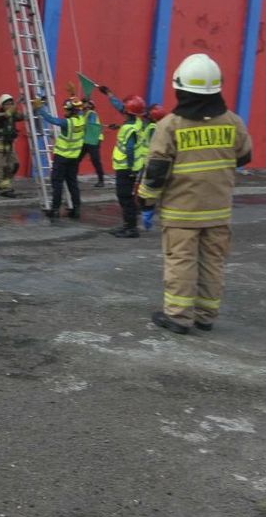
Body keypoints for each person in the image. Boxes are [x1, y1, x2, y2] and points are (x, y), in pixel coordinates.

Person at [136, 53, 252, 334]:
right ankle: (206, 315)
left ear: (180, 89)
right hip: (219, 210)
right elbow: (244, 156)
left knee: (181, 262)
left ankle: (178, 316)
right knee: (213, 262)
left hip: (182, 211)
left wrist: (145, 200)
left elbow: (156, 172)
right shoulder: (233, 122)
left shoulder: (171, 125)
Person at [32, 95, 85, 218]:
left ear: (71, 110)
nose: (64, 111)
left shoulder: (66, 123)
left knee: (57, 183)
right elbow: (80, 109)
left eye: (66, 109)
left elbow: (51, 120)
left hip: (61, 158)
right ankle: (76, 209)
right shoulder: (81, 120)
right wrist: (73, 95)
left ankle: (55, 210)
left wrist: (39, 109)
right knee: (73, 183)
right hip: (74, 158)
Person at [103, 94, 148, 237]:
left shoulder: (128, 128)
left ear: (128, 112)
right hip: (131, 167)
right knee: (126, 198)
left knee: (125, 198)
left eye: (125, 109)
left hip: (127, 168)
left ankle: (131, 229)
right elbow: (121, 108)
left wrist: (129, 169)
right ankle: (127, 225)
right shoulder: (137, 122)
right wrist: (109, 95)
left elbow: (129, 149)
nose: (122, 110)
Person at [0, 93, 25, 197]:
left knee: (14, 165)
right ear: (1, 105)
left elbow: (23, 116)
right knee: (2, 168)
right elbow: (7, 114)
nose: (9, 105)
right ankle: (4, 189)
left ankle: (3, 185)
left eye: (11, 103)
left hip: (9, 146)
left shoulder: (12, 115)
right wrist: (18, 102)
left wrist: (35, 107)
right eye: (7, 104)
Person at [78, 98, 107, 187]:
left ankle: (101, 180)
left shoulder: (91, 114)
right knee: (76, 159)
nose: (82, 104)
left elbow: (90, 125)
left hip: (94, 140)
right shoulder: (84, 114)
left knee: (95, 160)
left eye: (84, 103)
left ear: (90, 105)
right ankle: (71, 177)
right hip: (87, 140)